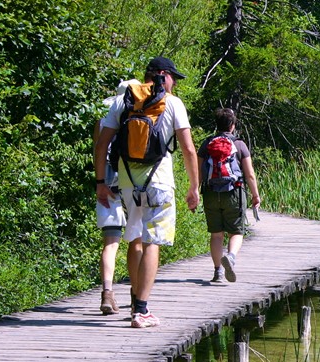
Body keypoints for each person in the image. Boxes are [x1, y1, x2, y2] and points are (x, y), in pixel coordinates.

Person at [94, 57, 200, 328]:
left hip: (127, 181)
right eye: (173, 78)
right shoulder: (173, 104)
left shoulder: (123, 101)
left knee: (135, 237)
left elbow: (102, 143)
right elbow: (188, 149)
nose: (174, 83)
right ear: (163, 76)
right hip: (160, 182)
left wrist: (100, 182)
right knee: (154, 241)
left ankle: (134, 302)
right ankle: (141, 310)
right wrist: (194, 187)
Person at [196, 107, 261, 283]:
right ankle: (231, 257)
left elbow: (198, 172)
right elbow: (249, 174)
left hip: (210, 193)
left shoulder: (206, 144)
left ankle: (217, 272)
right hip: (234, 192)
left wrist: (194, 190)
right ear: (232, 125)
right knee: (236, 232)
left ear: (217, 124)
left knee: (216, 234)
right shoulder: (239, 145)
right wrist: (255, 196)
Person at [95, 79, 141, 315]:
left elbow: (99, 149)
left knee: (111, 242)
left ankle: (107, 293)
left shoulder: (104, 113)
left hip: (108, 183)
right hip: (132, 182)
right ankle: (136, 298)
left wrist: (99, 183)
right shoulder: (139, 110)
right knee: (136, 240)